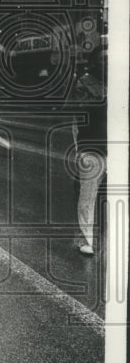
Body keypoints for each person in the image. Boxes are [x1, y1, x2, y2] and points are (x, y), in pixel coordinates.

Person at [70, 48, 107, 256]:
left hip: (116, 149)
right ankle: (87, 239)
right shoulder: (83, 84)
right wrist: (79, 150)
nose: (108, 62)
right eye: (103, 58)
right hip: (92, 148)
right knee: (88, 197)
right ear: (94, 62)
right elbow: (78, 119)